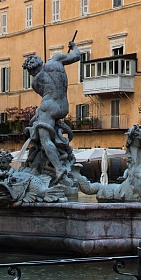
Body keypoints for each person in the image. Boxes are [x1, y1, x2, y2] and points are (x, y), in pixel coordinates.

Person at [22, 39, 82, 178]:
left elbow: (45, 95)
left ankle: (58, 168)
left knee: (45, 140)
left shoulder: (35, 82)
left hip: (49, 107)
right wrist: (73, 46)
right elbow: (77, 56)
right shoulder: (56, 60)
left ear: (31, 70)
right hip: (63, 106)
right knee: (35, 121)